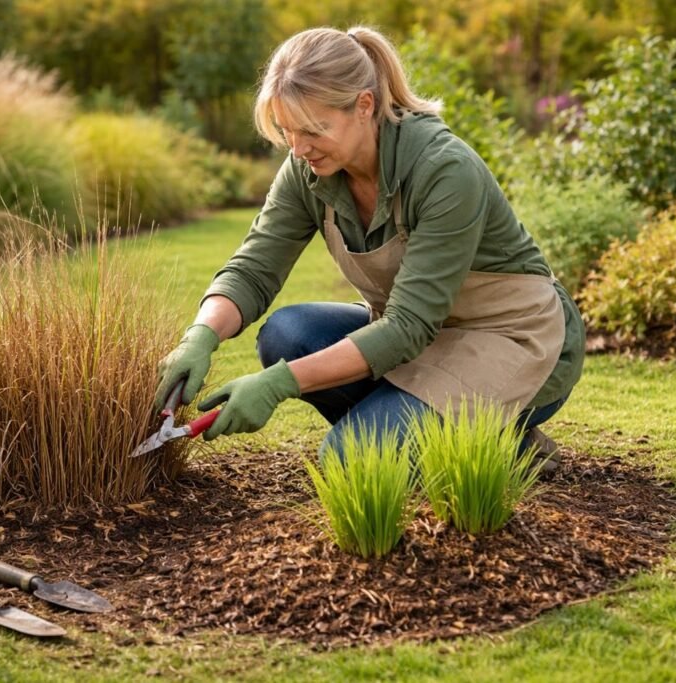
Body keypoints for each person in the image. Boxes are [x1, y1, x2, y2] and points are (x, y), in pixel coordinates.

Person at [152, 26, 585, 470]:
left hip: (515, 339)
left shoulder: (444, 171)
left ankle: (497, 438)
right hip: (424, 339)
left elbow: (408, 326)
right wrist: (200, 336)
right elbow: (254, 267)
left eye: (314, 130)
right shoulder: (310, 169)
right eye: (287, 132)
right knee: (288, 334)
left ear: (364, 105)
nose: (299, 149)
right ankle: (433, 426)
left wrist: (278, 383)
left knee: (351, 457)